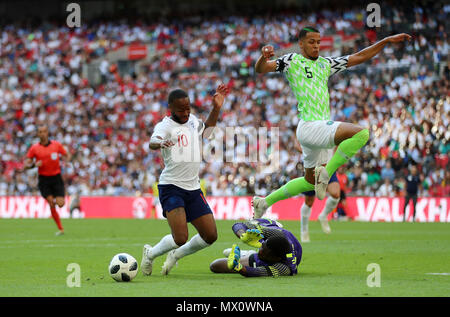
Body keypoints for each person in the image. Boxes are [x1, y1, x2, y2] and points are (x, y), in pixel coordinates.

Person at [252, 26, 411, 217]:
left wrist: (385, 41)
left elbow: (359, 57)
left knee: (309, 182)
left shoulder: (326, 64)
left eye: (318, 42)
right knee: (362, 133)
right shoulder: (292, 60)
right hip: (311, 126)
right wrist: (264, 57)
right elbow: (261, 69)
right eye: (311, 42)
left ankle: (264, 202)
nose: (316, 46)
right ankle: (327, 172)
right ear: (301, 44)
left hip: (314, 130)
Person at [140, 84, 229, 276]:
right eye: (181, 109)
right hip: (171, 187)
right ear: (171, 108)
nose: (186, 112)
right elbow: (152, 142)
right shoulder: (165, 126)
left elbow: (207, 133)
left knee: (210, 235)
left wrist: (216, 108)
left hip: (193, 188)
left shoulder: (193, 121)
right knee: (180, 236)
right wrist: (160, 143)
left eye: (188, 108)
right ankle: (150, 254)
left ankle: (175, 255)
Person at [209, 218, 302, 277]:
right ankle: (248, 252)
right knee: (217, 262)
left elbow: (255, 272)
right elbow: (238, 225)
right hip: (272, 227)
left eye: (264, 252)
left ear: (275, 258)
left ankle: (247, 254)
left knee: (215, 266)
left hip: (277, 258)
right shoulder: (275, 234)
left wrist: (237, 267)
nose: (260, 251)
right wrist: (243, 236)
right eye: (262, 247)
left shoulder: (284, 268)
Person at [22, 125, 71, 235]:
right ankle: (61, 228)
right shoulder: (34, 148)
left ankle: (59, 225)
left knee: (61, 204)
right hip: (44, 179)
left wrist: (66, 161)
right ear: (38, 134)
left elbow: (67, 155)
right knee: (51, 202)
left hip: (56, 178)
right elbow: (26, 165)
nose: (42, 134)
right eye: (40, 132)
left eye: (44, 131)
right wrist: (34, 165)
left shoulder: (56, 145)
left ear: (47, 133)